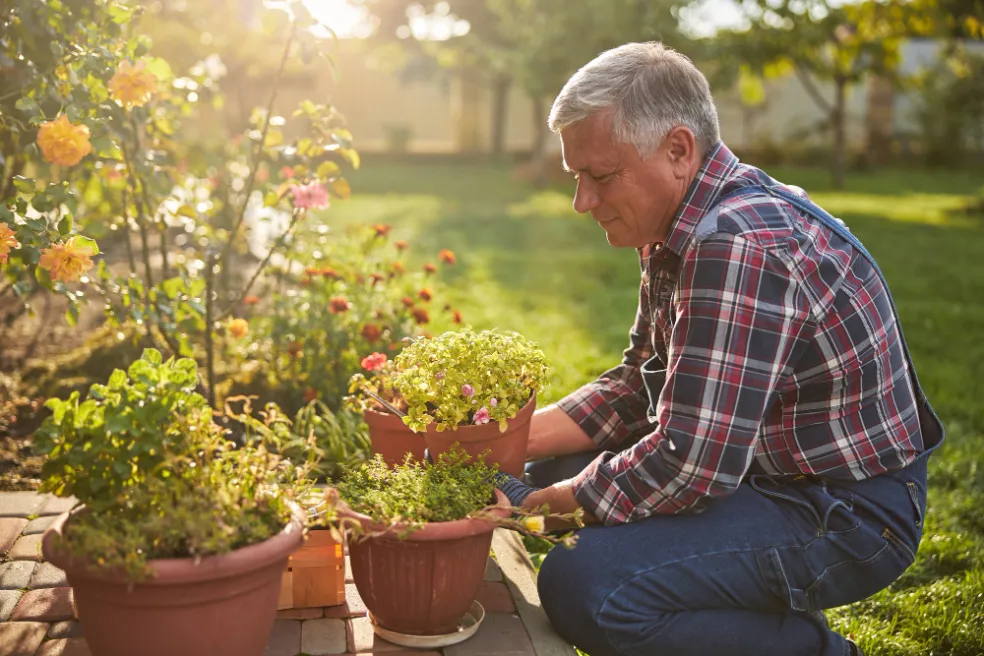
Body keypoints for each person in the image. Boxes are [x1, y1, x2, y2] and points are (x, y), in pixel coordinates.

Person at [500, 42, 945, 656]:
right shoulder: (678, 222)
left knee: (589, 583)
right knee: (548, 470)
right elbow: (640, 383)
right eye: (577, 178)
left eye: (600, 177)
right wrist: (503, 440)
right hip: (763, 468)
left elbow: (692, 461)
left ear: (678, 150)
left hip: (844, 509)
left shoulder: (737, 243)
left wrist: (556, 507)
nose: (583, 202)